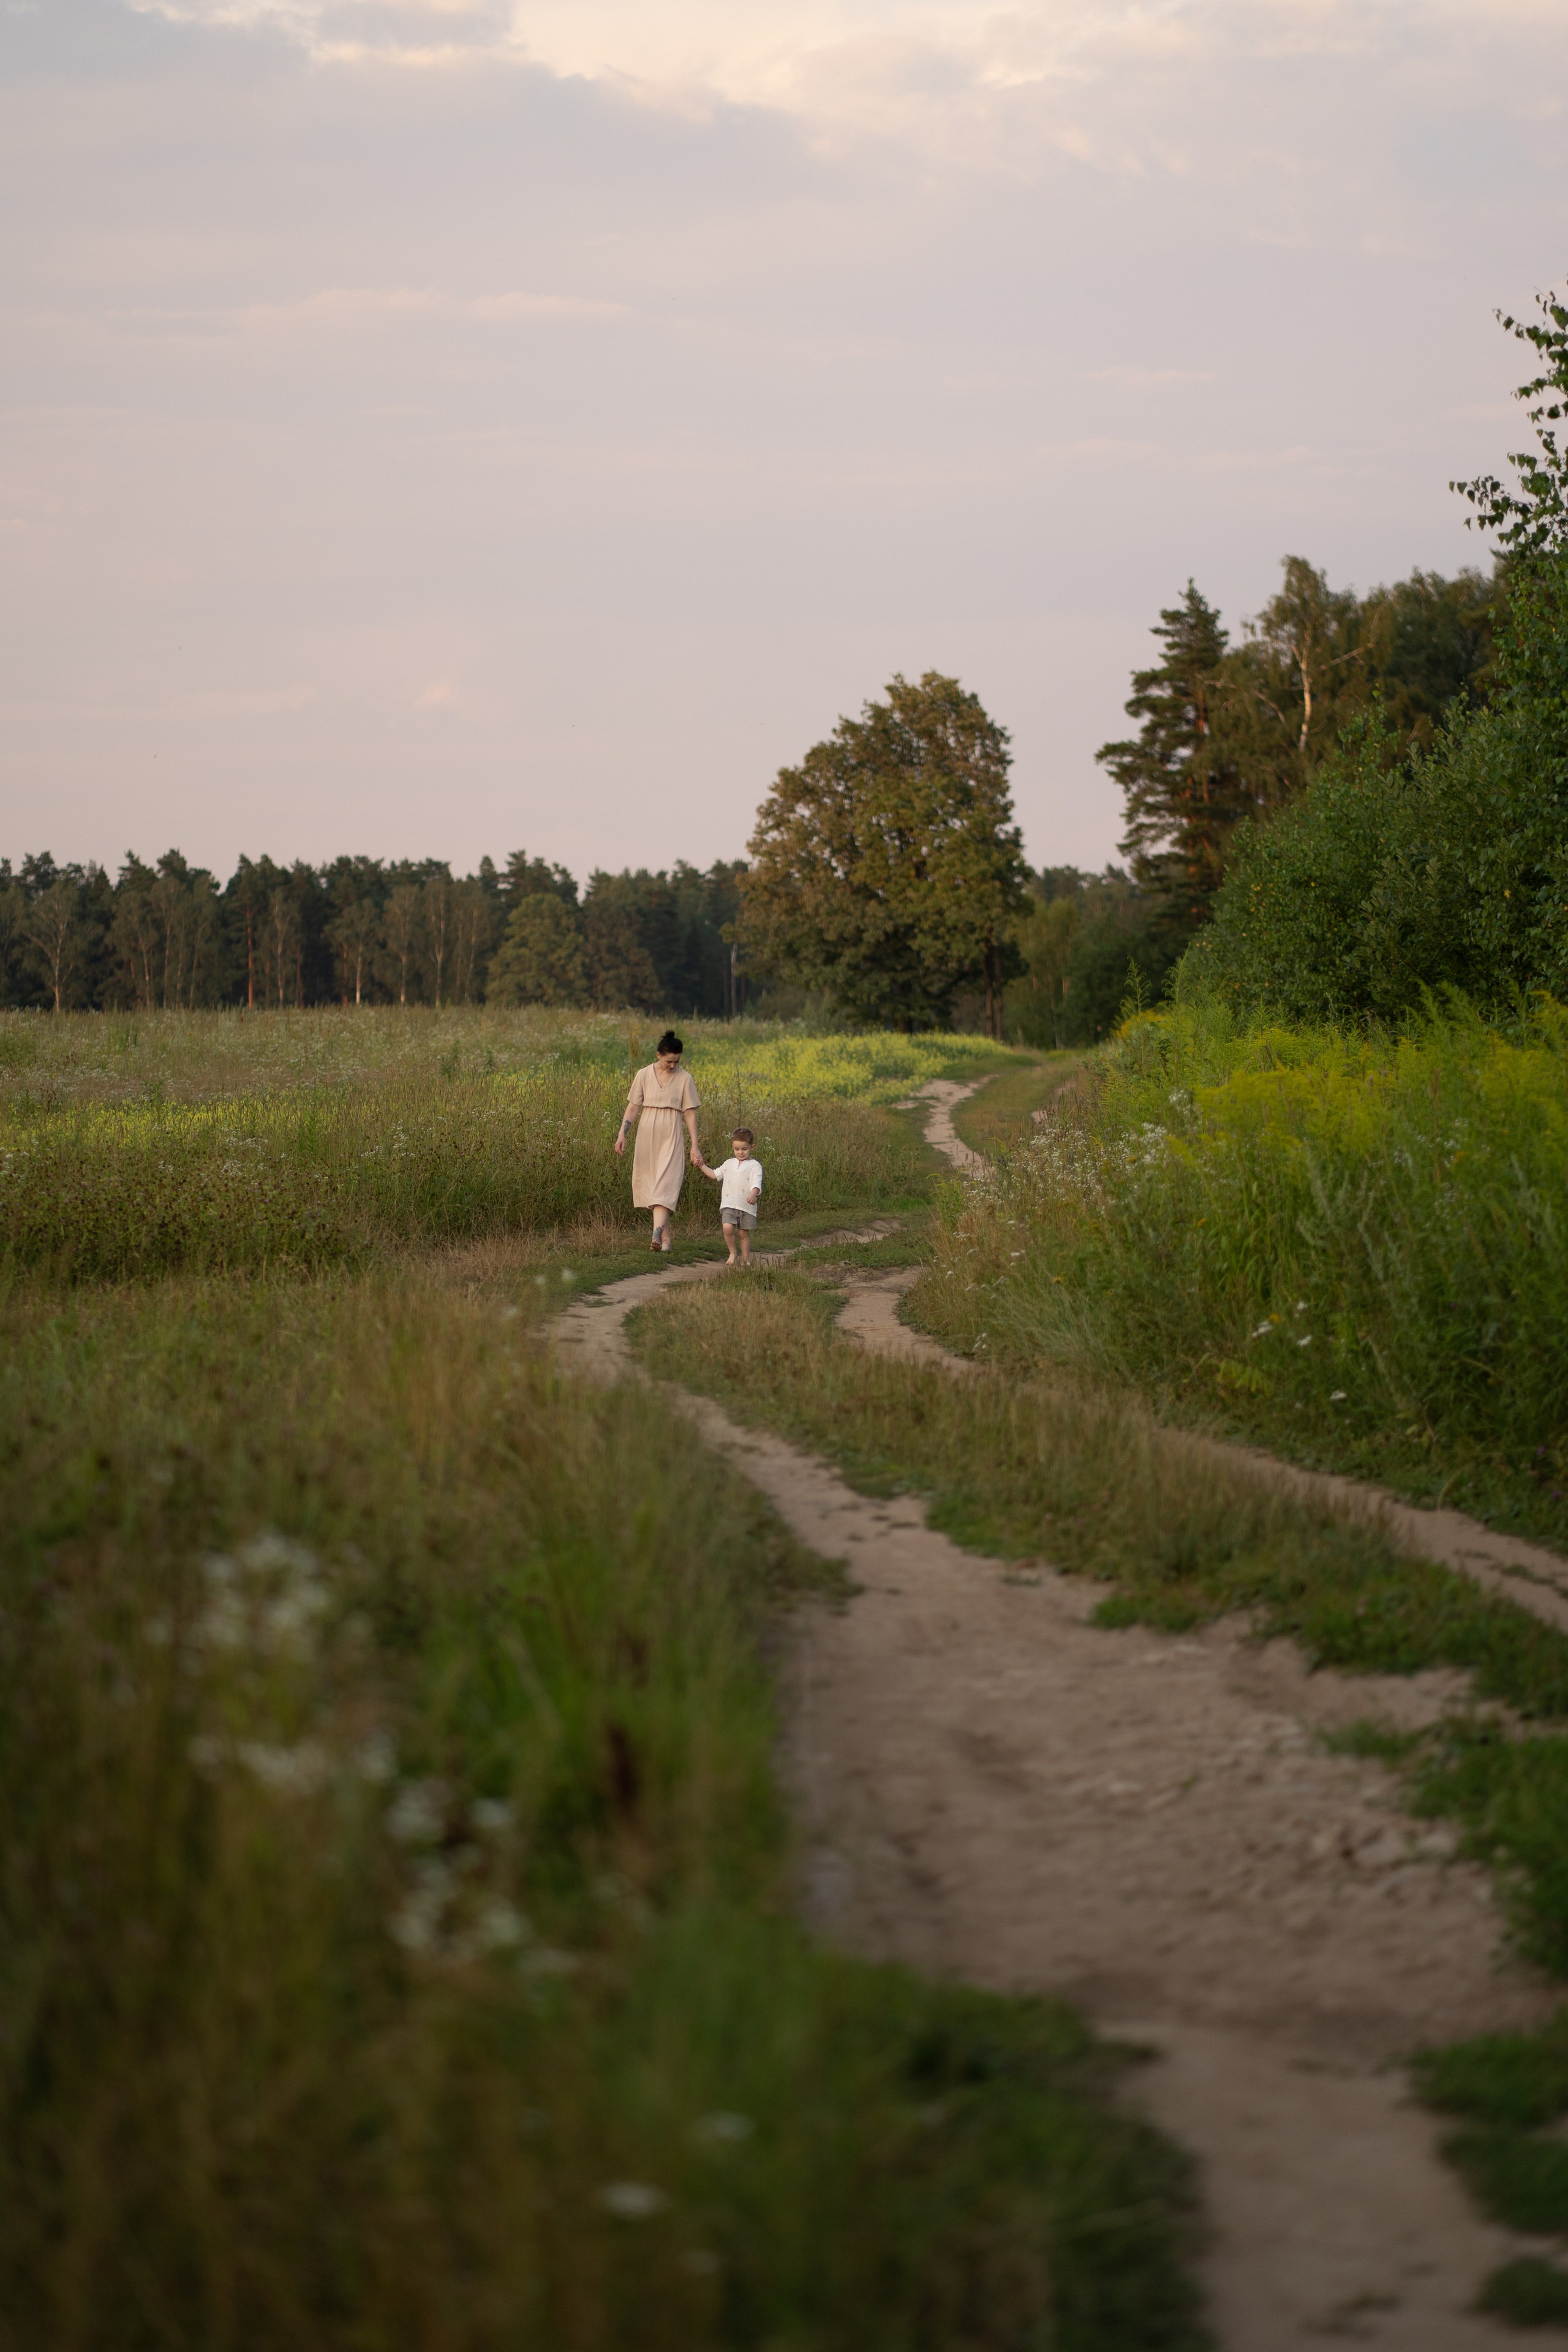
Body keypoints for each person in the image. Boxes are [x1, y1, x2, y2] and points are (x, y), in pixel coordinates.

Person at [615, 1030, 704, 1254]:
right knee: (653, 1187)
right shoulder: (643, 1075)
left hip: (671, 1133)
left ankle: (655, 1235)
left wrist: (695, 1145)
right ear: (658, 1055)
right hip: (647, 1133)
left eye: (677, 1061)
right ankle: (666, 1240)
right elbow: (633, 1107)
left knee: (666, 1185)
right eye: (669, 1061)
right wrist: (622, 1134)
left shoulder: (685, 1079)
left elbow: (690, 1113)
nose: (673, 1065)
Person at [700, 1126, 763, 1267]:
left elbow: (756, 1183)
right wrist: (701, 1165)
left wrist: (753, 1194)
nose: (740, 1152)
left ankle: (745, 1259)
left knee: (742, 1234)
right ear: (733, 1147)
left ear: (752, 1147)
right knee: (727, 1228)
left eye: (744, 1149)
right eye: (737, 1149)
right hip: (729, 1204)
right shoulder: (729, 1163)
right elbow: (715, 1175)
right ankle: (733, 1253)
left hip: (746, 1206)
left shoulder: (755, 1166)